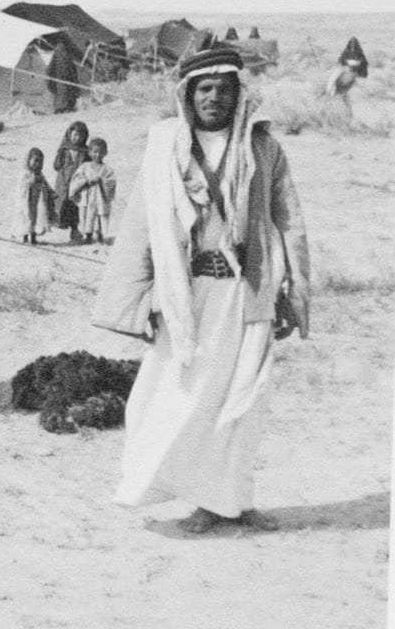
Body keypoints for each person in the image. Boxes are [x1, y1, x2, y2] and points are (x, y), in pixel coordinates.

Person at [92, 44, 310, 533]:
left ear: (239, 94)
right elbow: (141, 225)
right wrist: (140, 297)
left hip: (247, 292)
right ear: (187, 95)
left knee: (243, 404)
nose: (214, 98)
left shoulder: (263, 148)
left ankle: (232, 501)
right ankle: (195, 496)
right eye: (204, 88)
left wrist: (293, 293)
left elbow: (289, 221)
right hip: (185, 294)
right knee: (180, 398)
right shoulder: (165, 144)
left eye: (224, 89)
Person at [67, 137, 117, 244]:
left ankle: (100, 235)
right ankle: (88, 235)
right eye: (95, 152)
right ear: (89, 152)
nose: (98, 155)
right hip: (87, 196)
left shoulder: (107, 169)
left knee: (100, 215)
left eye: (101, 152)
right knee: (87, 216)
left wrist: (101, 181)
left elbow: (111, 182)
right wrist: (86, 181)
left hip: (100, 197)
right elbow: (77, 179)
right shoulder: (85, 166)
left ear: (106, 153)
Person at [52, 121, 90, 242]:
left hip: (77, 185)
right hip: (63, 182)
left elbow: (89, 166)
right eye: (75, 134)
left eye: (80, 135)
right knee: (63, 206)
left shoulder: (85, 152)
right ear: (69, 134)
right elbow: (56, 165)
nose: (77, 138)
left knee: (75, 207)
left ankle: (75, 230)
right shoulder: (63, 150)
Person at [10, 147, 55, 244]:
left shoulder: (40, 174)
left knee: (35, 219)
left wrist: (51, 192)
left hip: (37, 202)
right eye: (35, 161)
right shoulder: (25, 174)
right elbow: (21, 187)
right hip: (26, 201)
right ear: (28, 160)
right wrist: (30, 182)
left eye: (40, 162)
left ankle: (33, 238)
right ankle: (25, 237)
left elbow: (45, 184)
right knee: (26, 218)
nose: (37, 164)